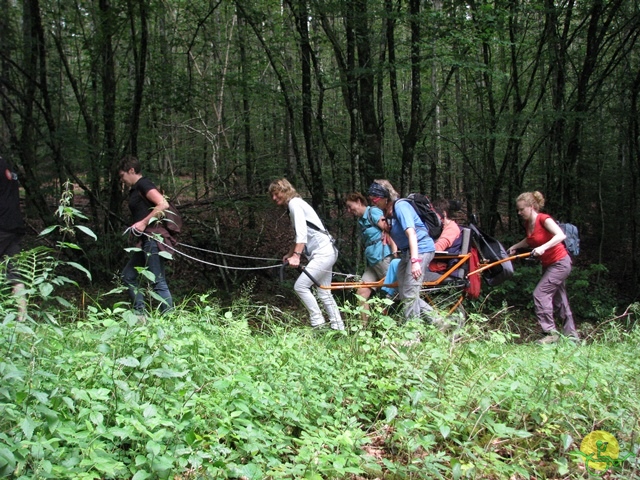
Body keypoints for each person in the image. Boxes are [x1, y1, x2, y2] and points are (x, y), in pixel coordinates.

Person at [269, 178, 344, 330]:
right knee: (324, 292)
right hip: (326, 251)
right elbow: (299, 235)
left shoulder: (294, 204)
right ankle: (338, 328)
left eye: (276, 194)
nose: (274, 198)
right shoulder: (295, 204)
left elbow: (302, 233)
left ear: (284, 191)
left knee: (300, 287)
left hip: (323, 253)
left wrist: (296, 256)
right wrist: (290, 253)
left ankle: (318, 324)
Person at [507, 191, 578, 344]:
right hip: (549, 265)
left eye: (521, 209)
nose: (519, 212)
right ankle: (572, 337)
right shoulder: (528, 224)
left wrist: (543, 248)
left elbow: (560, 235)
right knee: (560, 300)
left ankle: (551, 333)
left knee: (540, 294)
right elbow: (530, 239)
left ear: (531, 207)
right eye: (518, 210)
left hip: (560, 263)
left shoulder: (544, 219)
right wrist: (516, 246)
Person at [368, 180, 439, 324]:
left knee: (410, 292)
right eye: (371, 199)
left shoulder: (401, 206)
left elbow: (411, 233)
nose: (373, 202)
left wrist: (415, 262)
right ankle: (439, 321)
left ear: (385, 197)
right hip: (407, 252)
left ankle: (413, 335)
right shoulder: (388, 212)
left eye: (375, 198)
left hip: (421, 249)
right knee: (404, 291)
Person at [119, 156, 174, 315]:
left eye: (122, 176)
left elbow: (163, 204)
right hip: (145, 241)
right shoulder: (136, 188)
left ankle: (170, 322)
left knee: (158, 282)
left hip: (153, 239)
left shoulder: (143, 184)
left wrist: (143, 223)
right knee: (128, 276)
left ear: (131, 170)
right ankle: (140, 315)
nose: (122, 180)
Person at [345, 192, 397, 321]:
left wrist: (393, 247)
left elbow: (388, 228)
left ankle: (396, 324)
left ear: (358, 201)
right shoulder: (361, 220)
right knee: (361, 293)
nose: (349, 210)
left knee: (393, 291)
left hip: (383, 257)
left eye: (350, 206)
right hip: (372, 261)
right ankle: (365, 328)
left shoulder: (372, 212)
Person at [0, 155, 27, 321]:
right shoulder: (8, 164)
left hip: (1, 226)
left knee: (14, 272)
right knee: (15, 274)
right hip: (14, 225)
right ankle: (22, 318)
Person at [430, 199, 462, 273]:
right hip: (432, 262)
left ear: (444, 214)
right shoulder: (440, 228)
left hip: (440, 267)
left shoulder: (451, 228)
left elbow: (438, 248)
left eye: (433, 214)